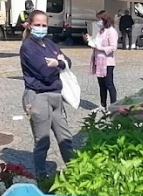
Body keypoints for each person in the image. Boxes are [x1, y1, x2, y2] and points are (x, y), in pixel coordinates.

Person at [20, 10, 75, 177]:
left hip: (56, 96)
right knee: (43, 140)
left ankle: (75, 171)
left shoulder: (50, 43)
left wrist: (58, 63)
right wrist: (60, 64)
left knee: (65, 137)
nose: (41, 28)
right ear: (29, 25)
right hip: (38, 96)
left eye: (44, 25)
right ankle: (41, 176)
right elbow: (44, 71)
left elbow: (69, 62)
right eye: (37, 25)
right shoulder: (28, 47)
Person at [85, 10, 118, 108]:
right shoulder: (101, 31)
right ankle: (103, 104)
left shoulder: (111, 31)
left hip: (107, 62)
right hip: (98, 60)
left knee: (109, 84)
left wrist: (101, 48)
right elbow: (97, 42)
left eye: (99, 19)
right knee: (101, 85)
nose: (98, 22)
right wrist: (90, 40)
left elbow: (113, 47)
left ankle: (113, 105)